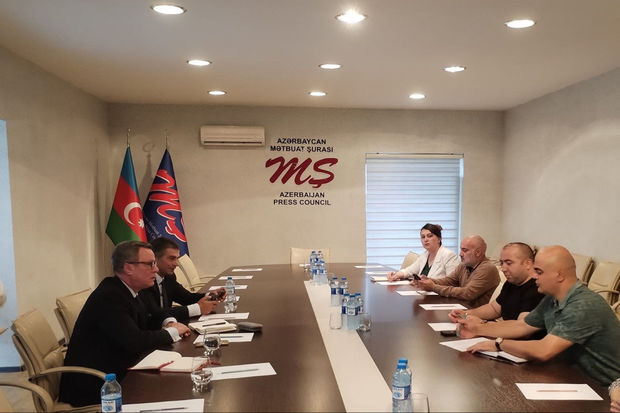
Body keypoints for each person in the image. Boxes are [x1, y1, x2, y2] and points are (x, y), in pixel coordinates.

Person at [458, 245, 620, 386]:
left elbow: (544, 350)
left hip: (603, 389)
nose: (534, 276)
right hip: (568, 377)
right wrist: (478, 329)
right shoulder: (552, 298)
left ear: (559, 275)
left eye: (539, 272)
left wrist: (498, 344)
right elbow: (522, 326)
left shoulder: (583, 305)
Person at [59, 241, 191, 407]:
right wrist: (172, 332)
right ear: (129, 267)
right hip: (98, 385)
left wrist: (170, 323)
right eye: (150, 264)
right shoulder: (110, 297)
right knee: (175, 392)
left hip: (121, 370)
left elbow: (151, 317)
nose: (156, 269)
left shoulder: (129, 290)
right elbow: (135, 341)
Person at [448, 242, 544, 323]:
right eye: (502, 263)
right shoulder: (511, 283)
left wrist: (481, 325)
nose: (503, 268)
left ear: (528, 263)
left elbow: (521, 327)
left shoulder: (537, 289)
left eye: (509, 263)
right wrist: (465, 314)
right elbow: (494, 309)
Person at [139, 237, 225, 321]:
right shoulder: (144, 281)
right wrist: (198, 308)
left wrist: (210, 295)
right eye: (171, 258)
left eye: (177, 259)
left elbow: (186, 298)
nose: (176, 264)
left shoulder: (169, 277)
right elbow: (155, 314)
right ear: (155, 259)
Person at [412, 235, 499, 308]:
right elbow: (449, 281)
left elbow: (467, 293)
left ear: (478, 252)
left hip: (475, 314)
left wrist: (434, 287)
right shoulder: (464, 265)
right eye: (461, 250)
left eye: (464, 250)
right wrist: (428, 281)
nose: (460, 254)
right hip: (461, 308)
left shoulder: (487, 268)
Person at [388, 223, 459, 281]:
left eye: (430, 236)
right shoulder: (425, 254)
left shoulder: (449, 256)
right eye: (423, 237)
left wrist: (430, 284)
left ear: (439, 239)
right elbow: (409, 270)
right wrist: (396, 275)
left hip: (437, 293)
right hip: (422, 292)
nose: (426, 240)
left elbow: (452, 283)